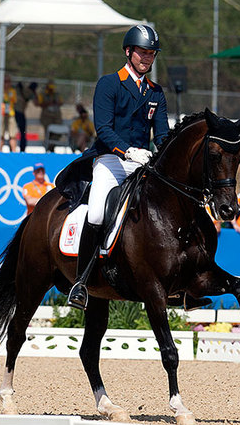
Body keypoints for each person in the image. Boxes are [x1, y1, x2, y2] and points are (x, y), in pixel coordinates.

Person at [66, 24, 169, 310]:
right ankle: (81, 283)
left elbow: (161, 135)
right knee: (97, 212)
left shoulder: (155, 92)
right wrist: (128, 151)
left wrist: (165, 153)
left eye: (152, 54)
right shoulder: (109, 83)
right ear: (128, 51)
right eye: (143, 52)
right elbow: (103, 129)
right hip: (111, 159)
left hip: (142, 163)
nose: (148, 58)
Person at [0, 74, 18, 152]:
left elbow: (15, 102)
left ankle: (14, 152)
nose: (7, 83)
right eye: (5, 81)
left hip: (10, 115)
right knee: (0, 135)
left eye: (8, 81)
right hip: (2, 115)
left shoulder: (12, 91)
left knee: (12, 135)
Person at [38, 79, 63, 151]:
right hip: (47, 116)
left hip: (56, 116)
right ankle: (48, 148)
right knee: (48, 132)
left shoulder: (57, 94)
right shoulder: (42, 94)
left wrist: (56, 102)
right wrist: (48, 102)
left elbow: (61, 103)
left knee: (58, 132)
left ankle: (50, 147)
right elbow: (40, 103)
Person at [15, 81, 36, 153]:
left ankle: (20, 148)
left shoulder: (22, 90)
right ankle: (22, 149)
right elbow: (36, 103)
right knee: (22, 133)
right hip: (19, 113)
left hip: (17, 112)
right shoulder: (30, 93)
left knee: (20, 133)